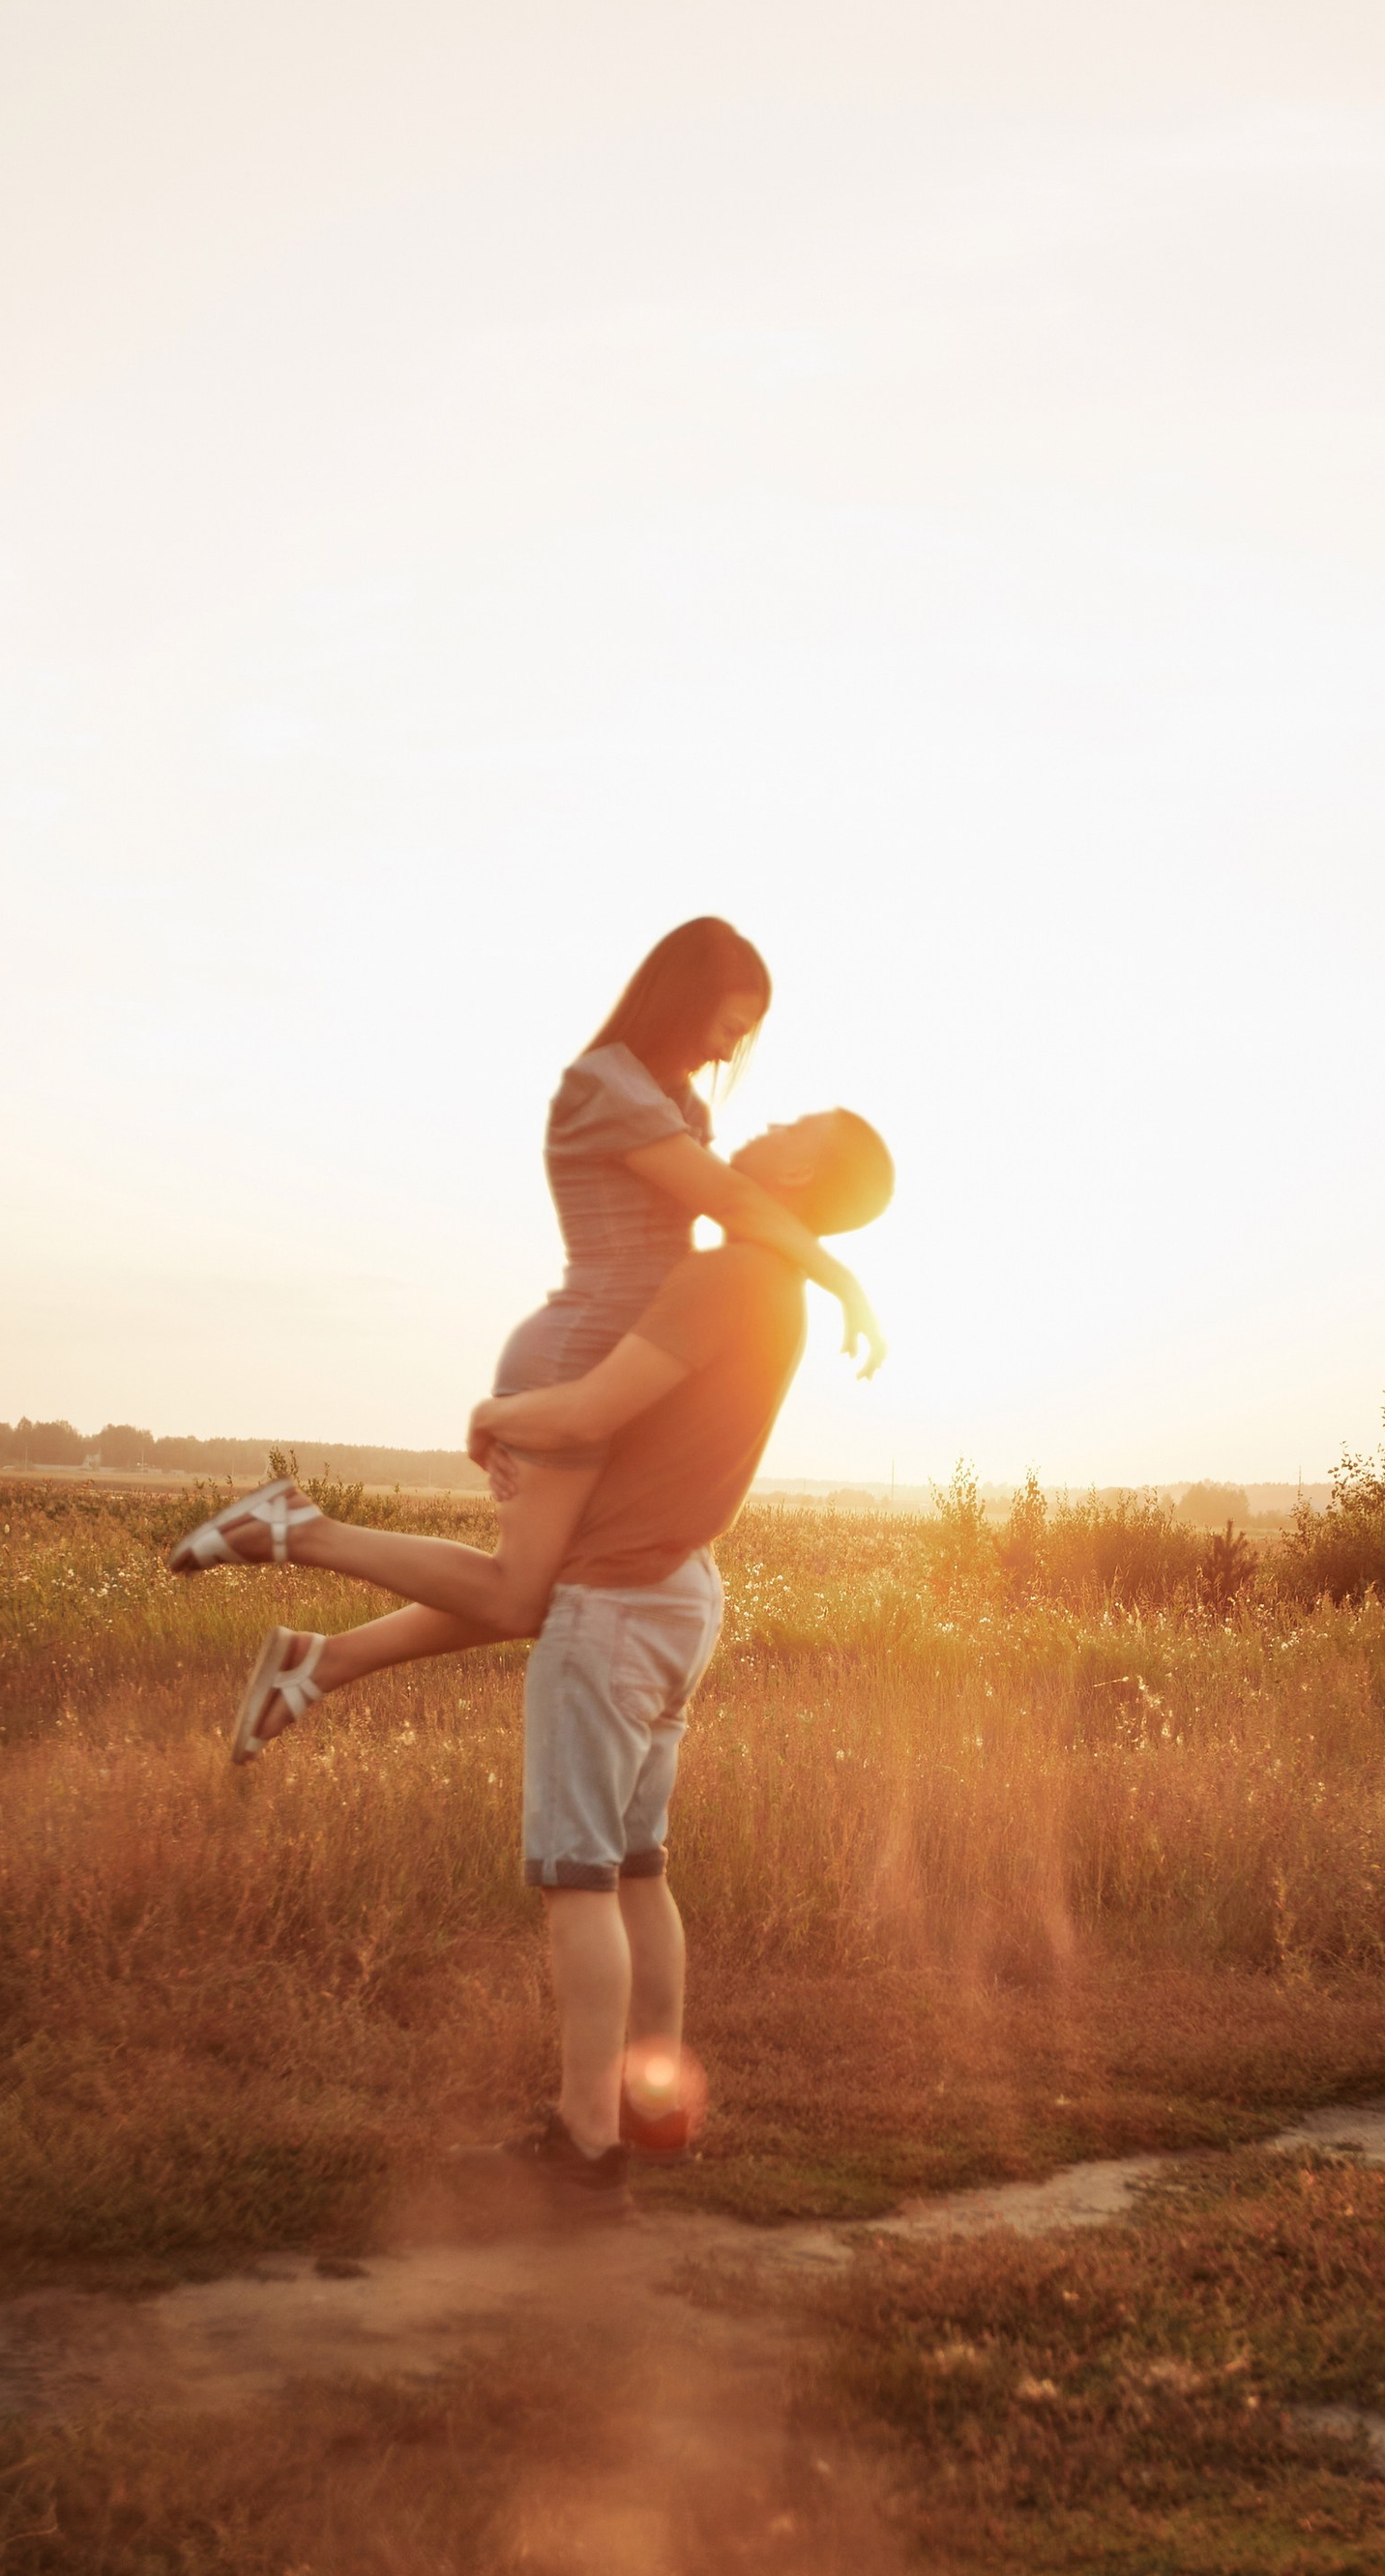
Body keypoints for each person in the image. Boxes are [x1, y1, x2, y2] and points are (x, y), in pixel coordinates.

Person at [192, 1105, 896, 2199]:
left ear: (806, 1167)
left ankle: (583, 2144)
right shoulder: (780, 1296)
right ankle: (648, 2117)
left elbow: (591, 1412)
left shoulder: (725, 1278)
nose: (764, 1124)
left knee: (578, 1883)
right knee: (639, 1873)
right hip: (682, 1595)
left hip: (616, 1609)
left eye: (793, 1123)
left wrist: (497, 1413)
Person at [168, 919, 884, 1760]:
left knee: (565, 1591)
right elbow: (737, 1205)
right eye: (727, 1030)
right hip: (580, 1354)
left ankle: (318, 1661)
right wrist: (843, 1282)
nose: (730, 1057)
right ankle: (295, 1529)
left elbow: (736, 1215)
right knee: (520, 1595)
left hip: (627, 1357)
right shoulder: (608, 1088)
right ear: (684, 1002)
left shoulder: (676, 1102)